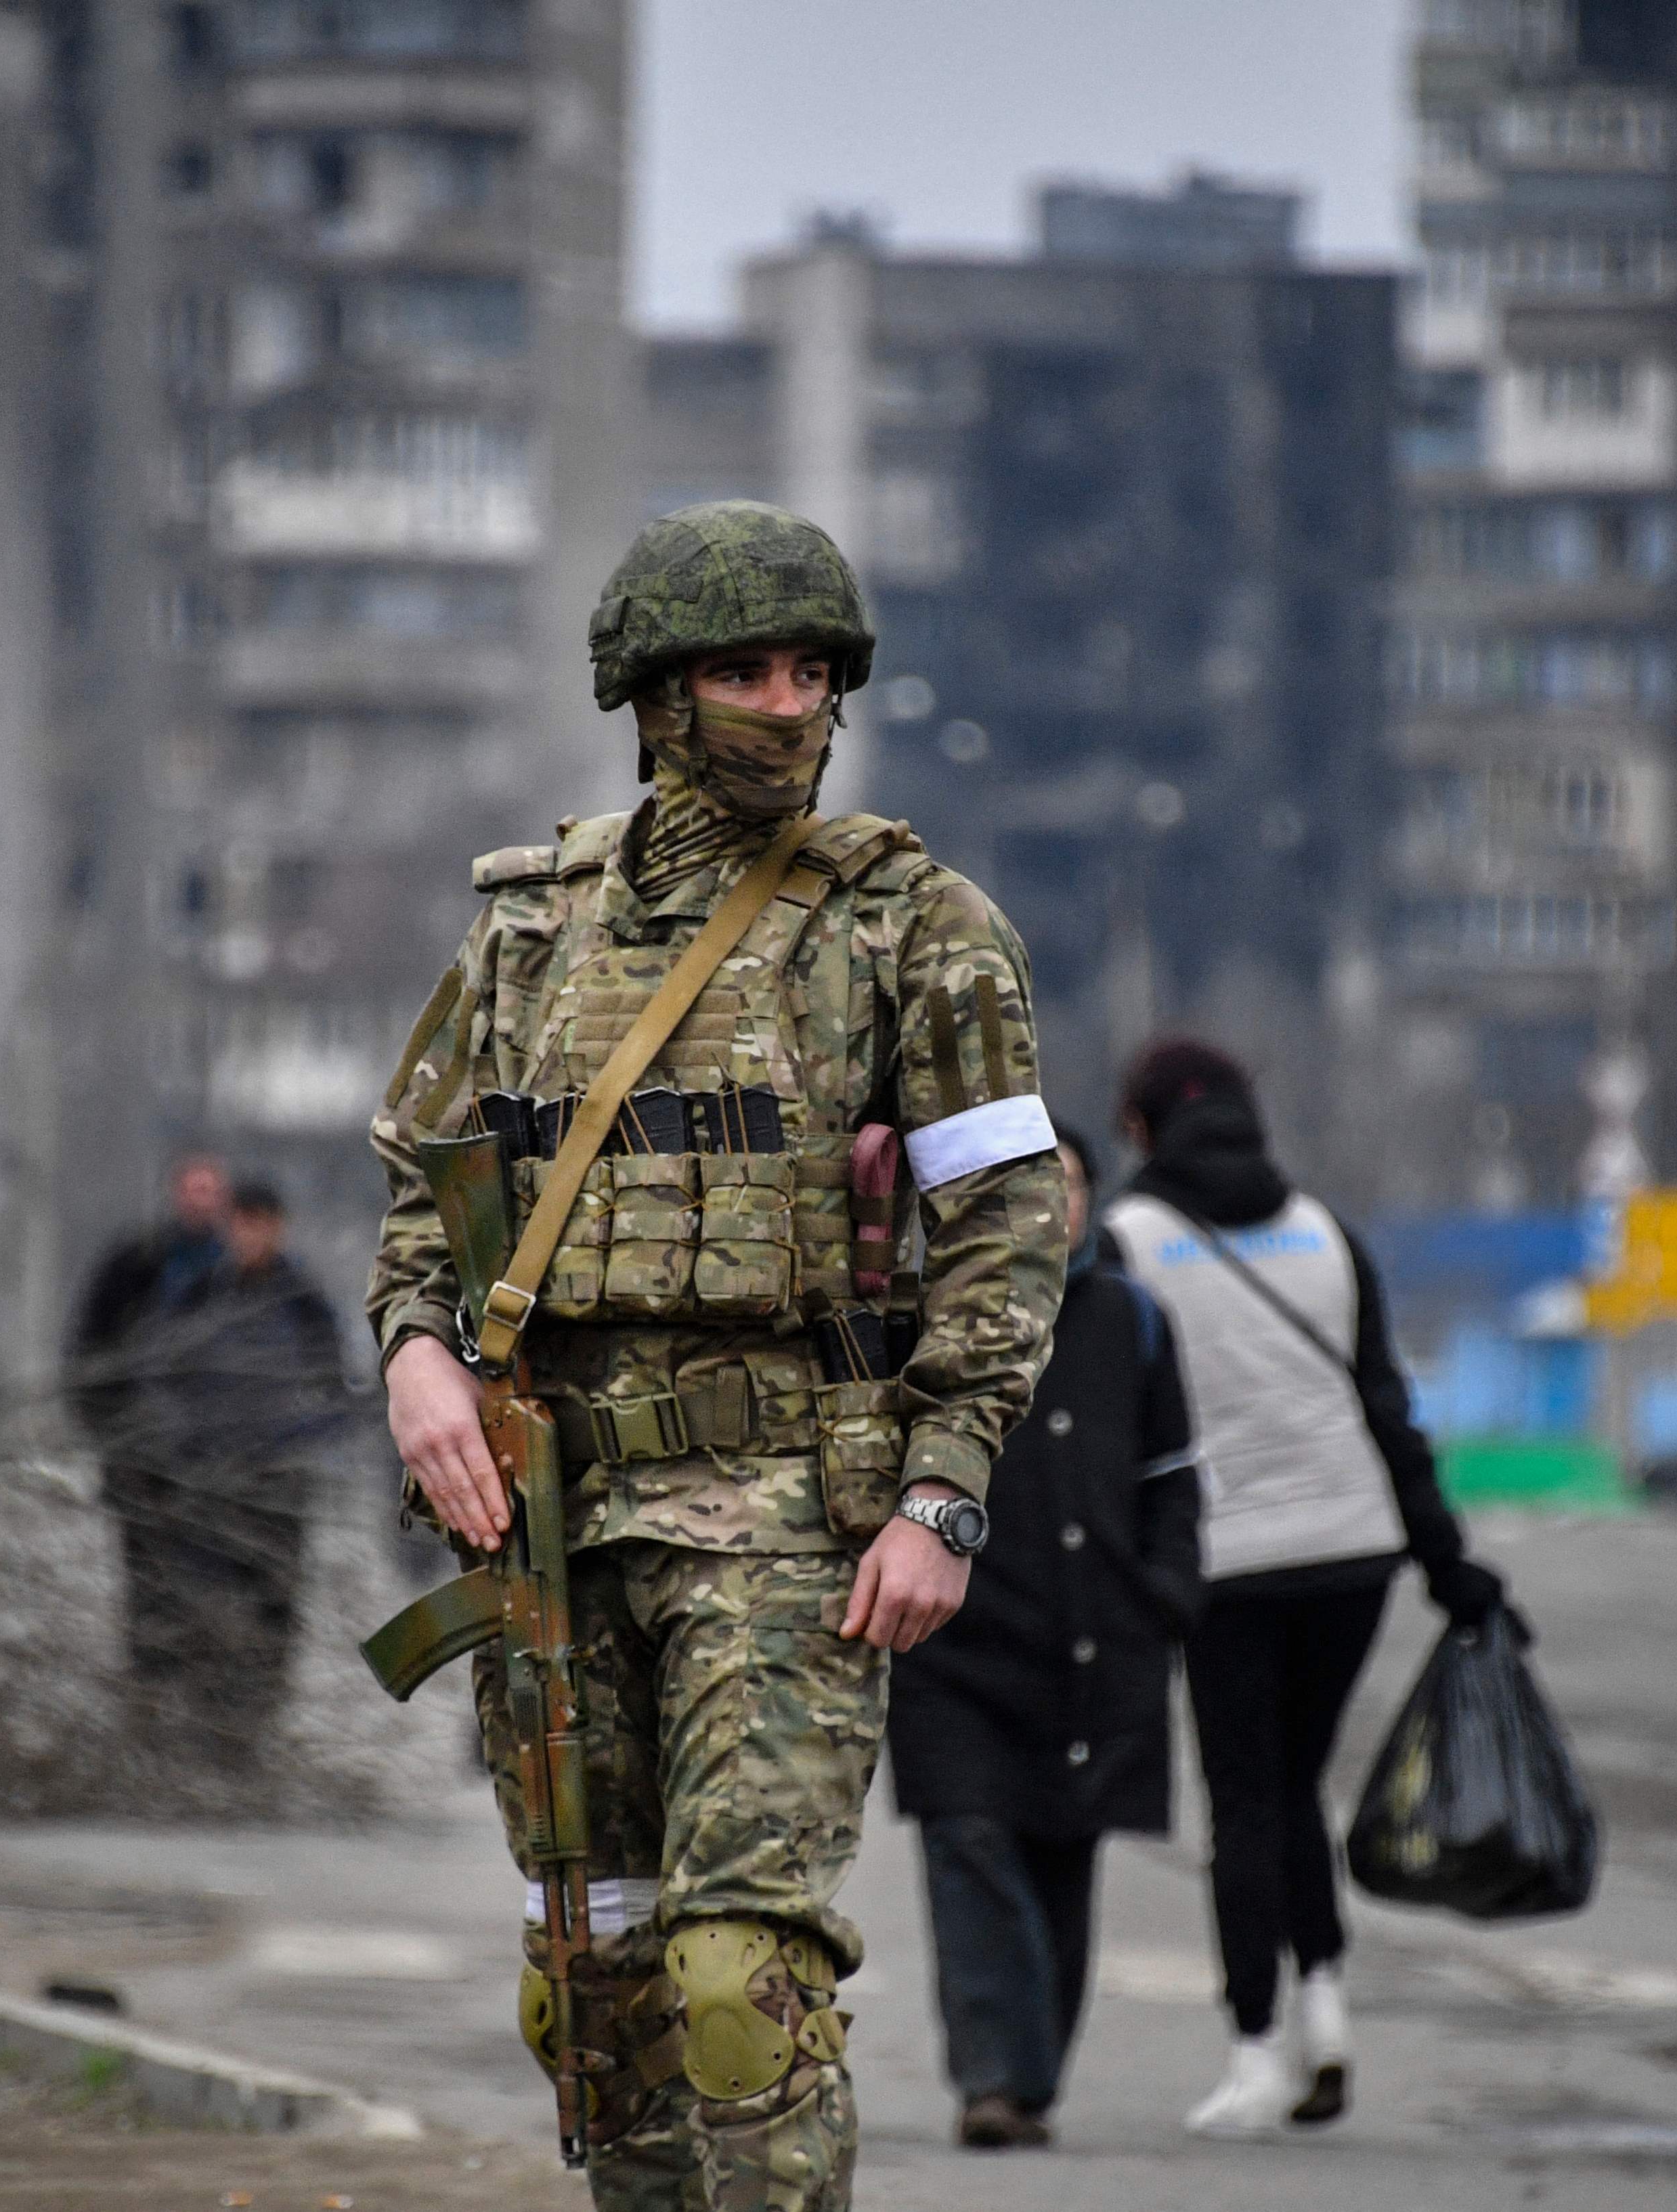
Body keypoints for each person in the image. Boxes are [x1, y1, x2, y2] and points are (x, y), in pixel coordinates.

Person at [368, 500, 1068, 2212]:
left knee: (734, 1983)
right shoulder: (530, 923)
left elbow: (1007, 1227)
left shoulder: (915, 924)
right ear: (655, 693)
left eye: (810, 669)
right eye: (742, 667)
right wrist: (415, 1355)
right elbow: (423, 1189)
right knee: (589, 1984)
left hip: (781, 1513)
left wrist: (942, 1488)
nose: (783, 700)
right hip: (555, 1516)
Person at [1100, 1037, 1513, 2139]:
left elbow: (1114, 1423)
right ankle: (1325, 2013)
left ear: (1140, 1127)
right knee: (1298, 1789)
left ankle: (1254, 2050)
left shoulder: (1130, 1241)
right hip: (1353, 1553)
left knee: (1244, 1799)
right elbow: (1389, 1409)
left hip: (1225, 1561)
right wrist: (1450, 1567)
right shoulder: (1327, 1232)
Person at [888, 1124, 1204, 2150]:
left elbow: (1172, 1478)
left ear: (1091, 1201)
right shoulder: (929, 1313)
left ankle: (1029, 2078)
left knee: (1064, 1859)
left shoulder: (1132, 1321)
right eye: (1025, 1187)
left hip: (1095, 1644)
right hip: (958, 1643)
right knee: (969, 1839)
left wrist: (1167, 1593)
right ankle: (994, 2077)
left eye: (1064, 1185)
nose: (1048, 1206)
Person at [127, 1180, 352, 1760]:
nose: (250, 1235)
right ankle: (204, 1725)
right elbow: (157, 1374)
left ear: (278, 1227)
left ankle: (251, 1729)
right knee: (201, 1600)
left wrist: (294, 1447)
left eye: (261, 1223)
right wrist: (184, 1448)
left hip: (277, 1486)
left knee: (272, 1604)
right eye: (242, 1223)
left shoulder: (303, 1300)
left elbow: (335, 1391)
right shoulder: (196, 1293)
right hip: (208, 1479)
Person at [67, 1154, 237, 1735]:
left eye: (211, 1189)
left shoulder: (240, 1269)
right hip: (144, 1464)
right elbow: (89, 1355)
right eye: (193, 1188)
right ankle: (151, 1709)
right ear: (173, 1193)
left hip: (220, 1470)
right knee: (150, 1592)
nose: (201, 1200)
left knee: (220, 1592)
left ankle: (212, 1719)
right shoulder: (135, 1262)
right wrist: (115, 1436)